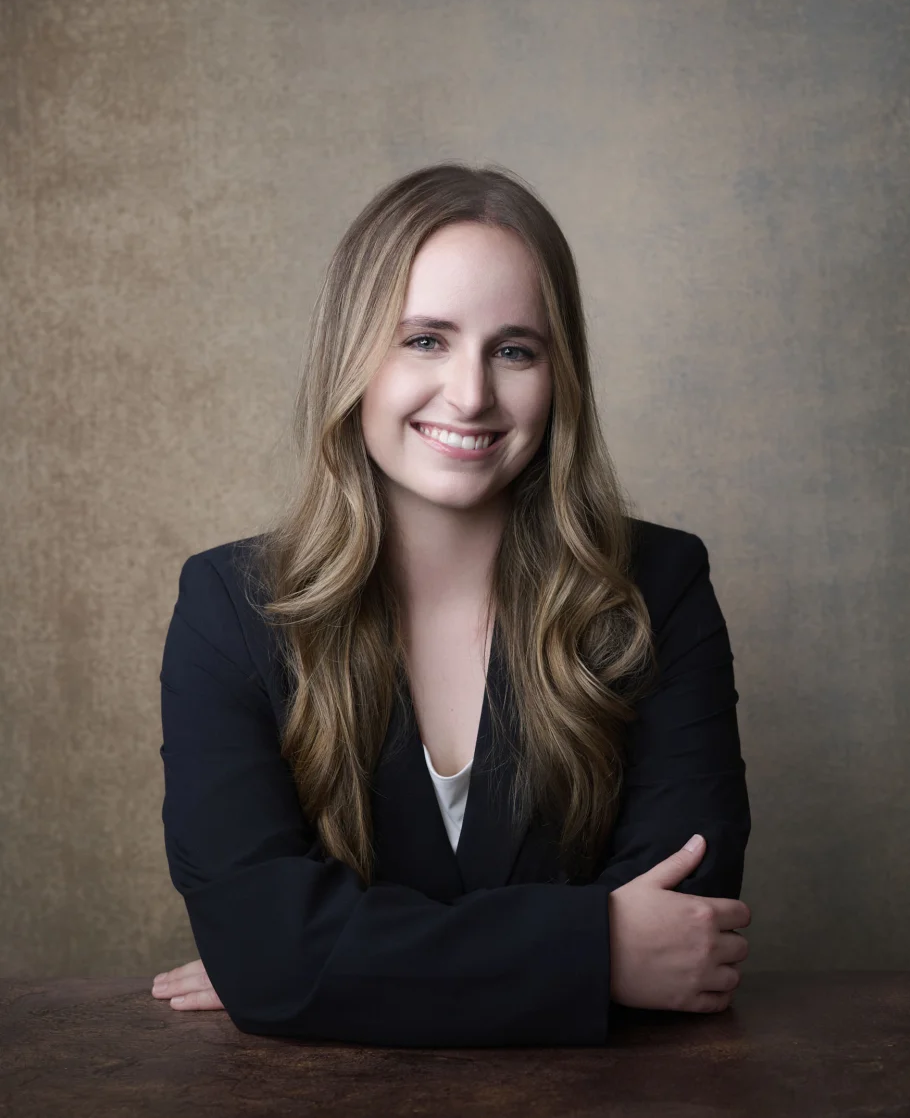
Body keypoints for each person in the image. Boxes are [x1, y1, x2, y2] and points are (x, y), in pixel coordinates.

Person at [151, 161, 752, 1046]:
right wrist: (599, 949)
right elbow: (265, 949)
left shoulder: (659, 588)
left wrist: (336, 970)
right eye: (425, 339)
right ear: (353, 356)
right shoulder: (229, 608)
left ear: (560, 377)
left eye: (515, 350)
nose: (471, 394)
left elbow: (690, 929)